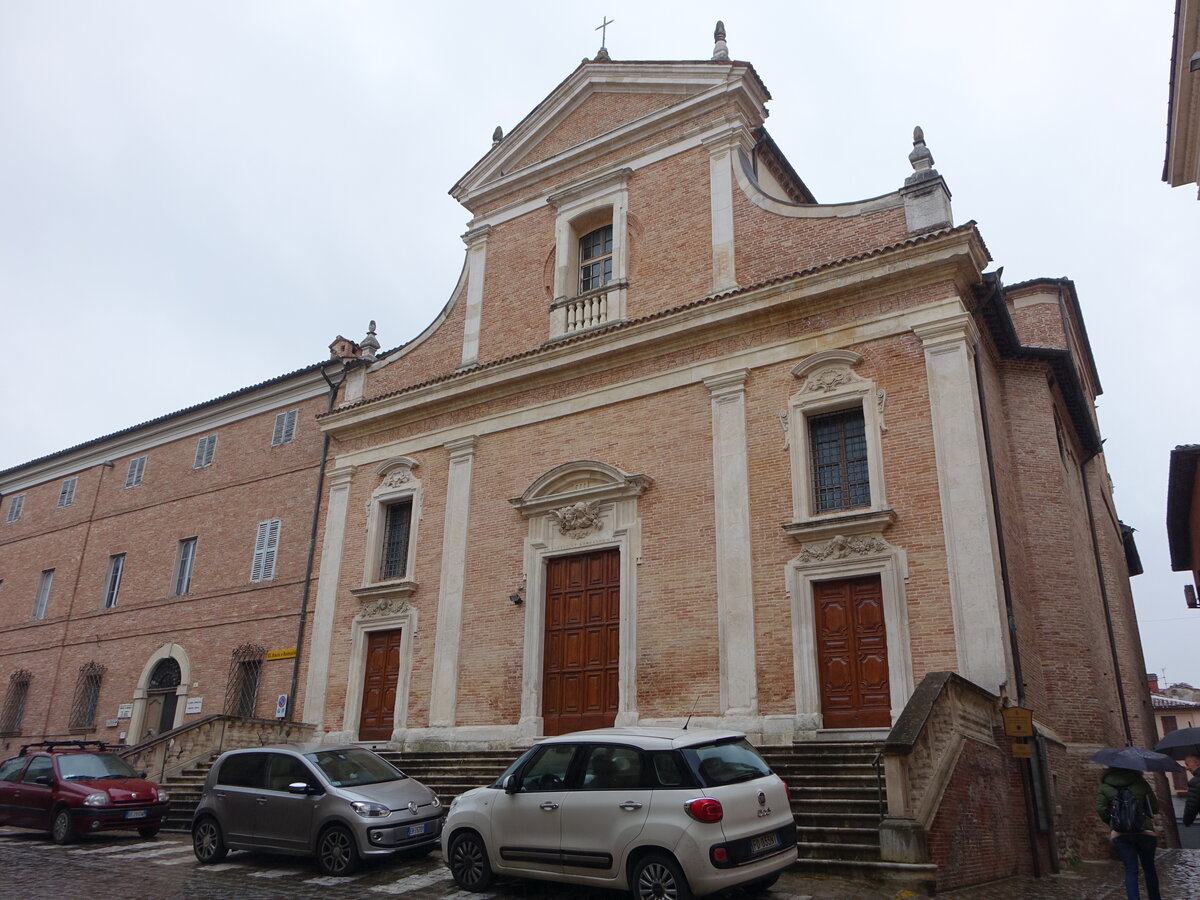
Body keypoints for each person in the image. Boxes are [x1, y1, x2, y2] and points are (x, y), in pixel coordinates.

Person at [1095, 767, 1161, 900]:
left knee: (1131, 869)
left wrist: (1114, 823)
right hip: (1145, 832)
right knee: (1149, 869)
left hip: (1121, 834)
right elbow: (1154, 807)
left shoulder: (1105, 786)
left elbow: (1101, 809)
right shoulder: (1141, 782)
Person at [1184, 750, 1200, 828]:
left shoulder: (1195, 782)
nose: (1187, 768)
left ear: (1197, 762)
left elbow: (1192, 806)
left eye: (1187, 764)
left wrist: (1187, 821)